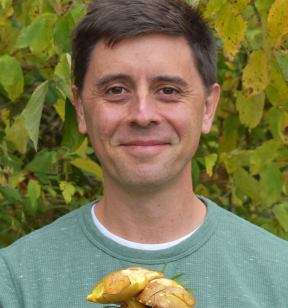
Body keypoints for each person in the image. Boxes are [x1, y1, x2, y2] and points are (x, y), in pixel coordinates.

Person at [1, 0, 288, 307]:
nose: (142, 114)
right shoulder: (15, 279)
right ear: (81, 108)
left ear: (207, 108)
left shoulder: (280, 274)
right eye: (115, 90)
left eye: (168, 90)